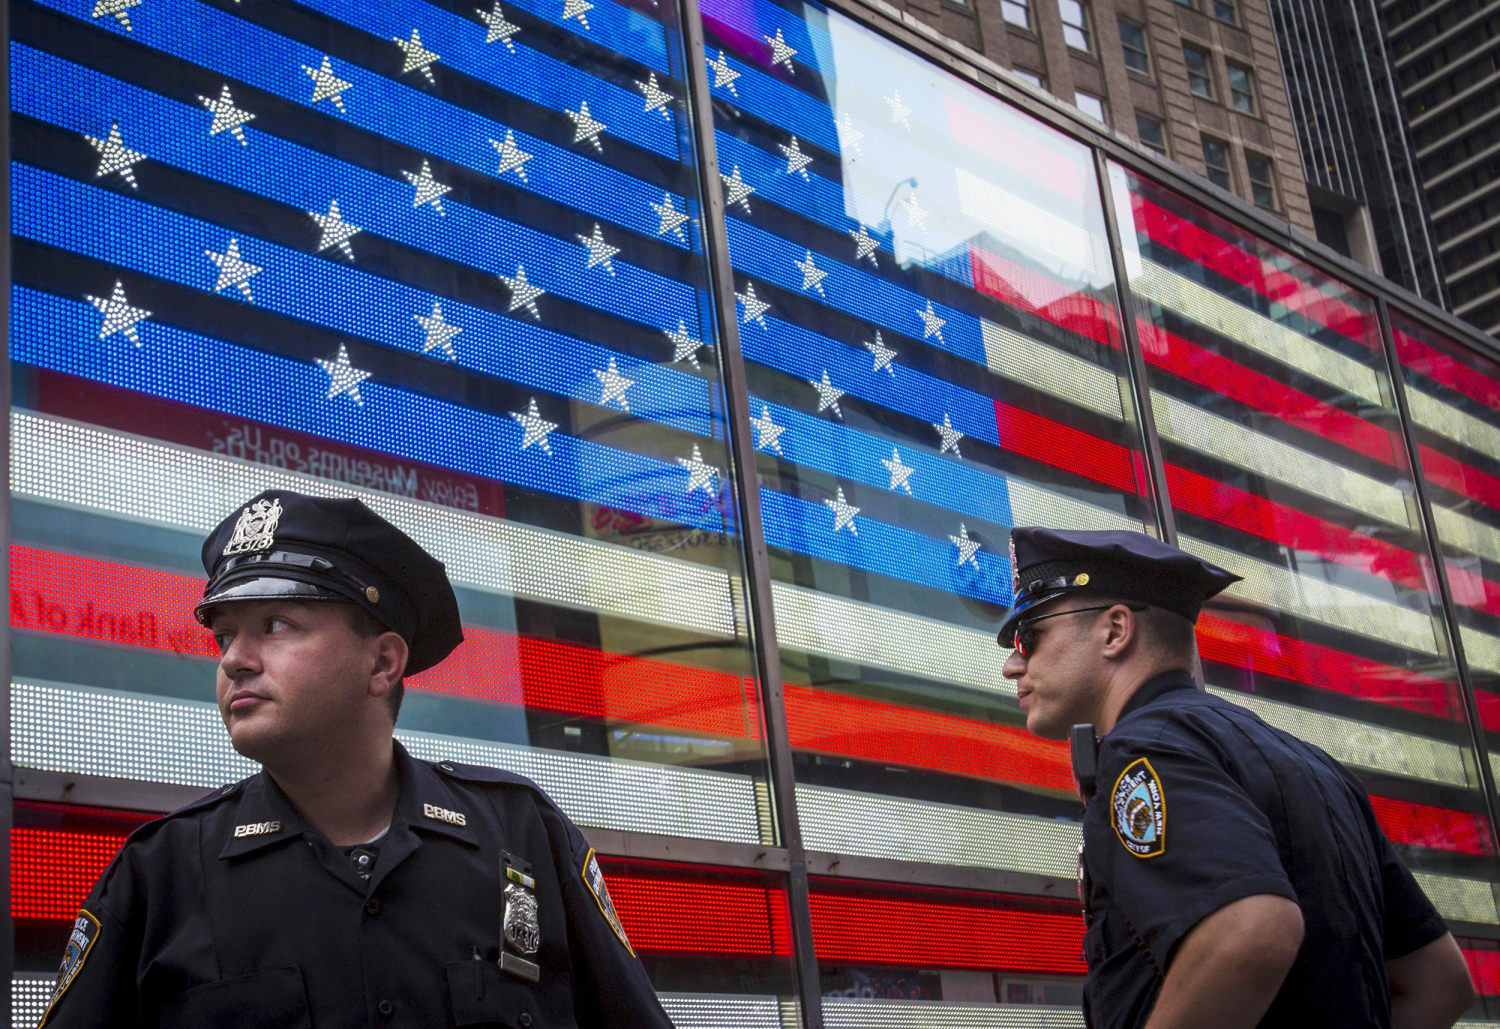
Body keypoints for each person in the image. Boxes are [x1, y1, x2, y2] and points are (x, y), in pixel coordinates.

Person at [39, 490, 676, 1028]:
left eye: (278, 625)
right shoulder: (163, 874)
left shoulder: (519, 835)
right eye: (227, 634)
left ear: (382, 662)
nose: (234, 659)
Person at [997, 526, 1476, 1029]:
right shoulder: (1315, 765)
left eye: (1031, 637)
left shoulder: (1145, 749)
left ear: (1116, 631)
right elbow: (1439, 985)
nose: (1011, 665)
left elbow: (1251, 933)